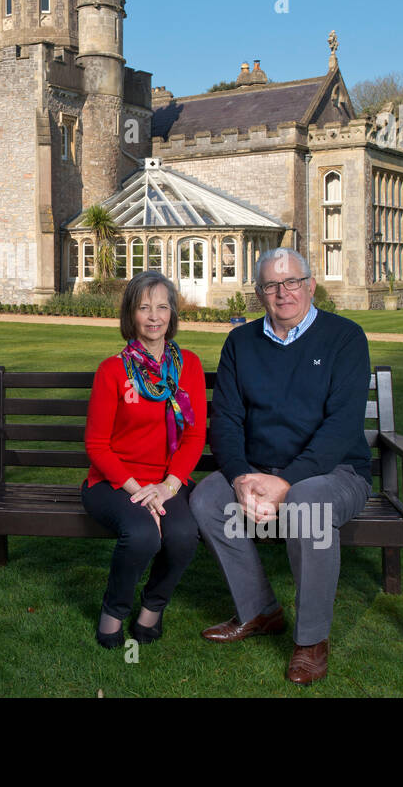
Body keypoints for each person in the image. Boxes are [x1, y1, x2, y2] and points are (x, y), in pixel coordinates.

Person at [189, 247, 373, 684]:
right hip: (256, 469)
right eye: (272, 284)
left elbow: (342, 427)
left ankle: (311, 641)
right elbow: (227, 421)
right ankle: (259, 611)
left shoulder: (345, 338)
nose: (283, 292)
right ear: (259, 293)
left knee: (306, 503)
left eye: (292, 281)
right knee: (205, 499)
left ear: (310, 285)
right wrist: (237, 478)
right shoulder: (241, 342)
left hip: (335, 472)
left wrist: (286, 481)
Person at [82, 270, 207, 648]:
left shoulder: (190, 366)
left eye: (162, 307)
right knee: (141, 535)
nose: (154, 316)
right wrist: (140, 492)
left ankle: (152, 609)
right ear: (130, 315)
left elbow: (195, 435)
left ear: (172, 314)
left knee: (184, 535)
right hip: (113, 483)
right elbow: (97, 444)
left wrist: (168, 488)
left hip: (168, 482)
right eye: (144, 307)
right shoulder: (112, 370)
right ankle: (114, 611)